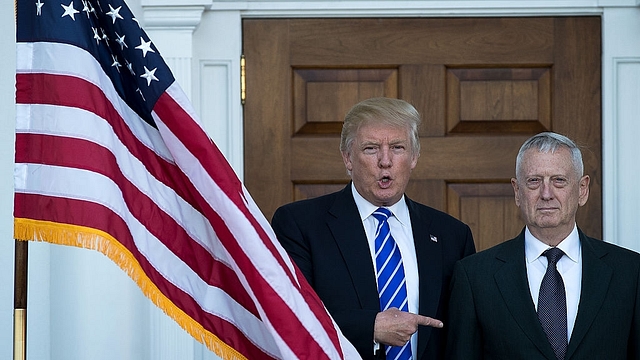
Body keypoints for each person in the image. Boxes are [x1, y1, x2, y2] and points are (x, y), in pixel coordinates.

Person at [271, 97, 476, 360]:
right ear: (347, 158)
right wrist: (371, 327)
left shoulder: (452, 234)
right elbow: (290, 313)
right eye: (371, 148)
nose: (385, 161)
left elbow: (464, 334)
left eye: (398, 147)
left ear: (414, 157)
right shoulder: (300, 225)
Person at [445, 132, 640, 360]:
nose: (546, 194)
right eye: (534, 181)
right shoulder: (475, 277)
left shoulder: (630, 272)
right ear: (517, 191)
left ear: (582, 189)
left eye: (559, 180)